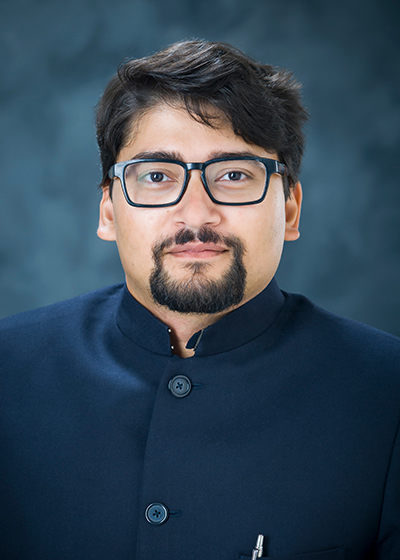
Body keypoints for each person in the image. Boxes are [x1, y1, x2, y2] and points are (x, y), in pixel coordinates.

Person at [1, 40, 399, 560]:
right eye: (157, 176)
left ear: (292, 208)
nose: (196, 213)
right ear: (107, 211)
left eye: (234, 175)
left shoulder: (387, 394)